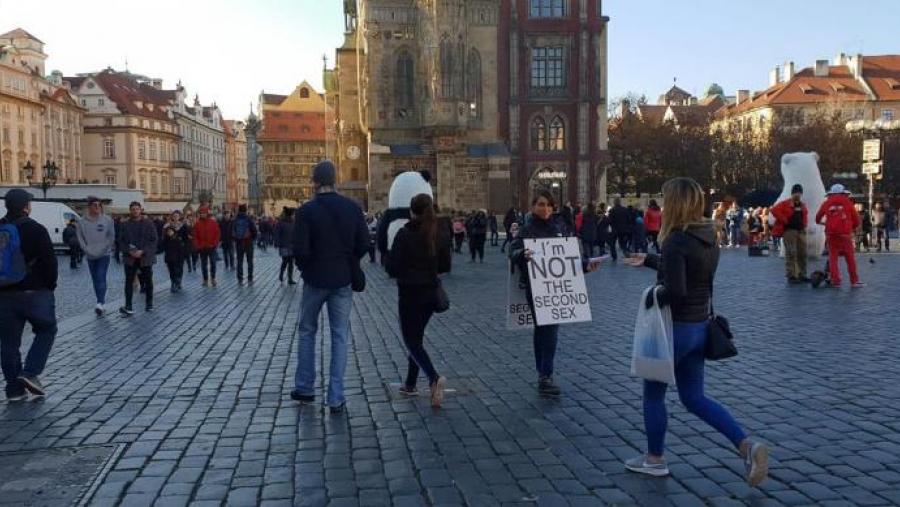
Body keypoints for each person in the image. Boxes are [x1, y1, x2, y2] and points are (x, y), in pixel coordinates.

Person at [623, 177, 769, 486]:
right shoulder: (708, 235)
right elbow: (691, 273)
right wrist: (650, 260)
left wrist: (652, 295)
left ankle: (655, 459)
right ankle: (746, 445)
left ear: (675, 203)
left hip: (675, 330)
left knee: (653, 395)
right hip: (699, 328)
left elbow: (677, 290)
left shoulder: (676, 239)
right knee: (694, 397)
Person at [291, 161, 369, 414]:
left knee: (307, 331)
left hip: (315, 279)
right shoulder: (352, 208)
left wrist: (307, 268)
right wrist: (349, 262)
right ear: (335, 180)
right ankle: (335, 396)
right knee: (339, 336)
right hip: (342, 279)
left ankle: (305, 387)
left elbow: (299, 250)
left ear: (315, 181)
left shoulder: (306, 211)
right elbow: (364, 243)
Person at [509, 190, 602, 396]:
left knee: (548, 329)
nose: (545, 209)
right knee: (545, 329)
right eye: (541, 204)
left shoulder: (560, 227)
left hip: (556, 288)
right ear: (533, 206)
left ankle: (544, 374)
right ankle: (545, 374)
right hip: (536, 288)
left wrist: (586, 266)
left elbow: (569, 258)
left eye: (549, 205)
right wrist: (522, 254)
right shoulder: (527, 229)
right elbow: (513, 251)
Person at [386, 193, 452, 407]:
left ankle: (433, 378)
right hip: (430, 294)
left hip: (409, 294)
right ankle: (410, 383)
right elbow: (445, 265)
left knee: (411, 340)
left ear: (411, 211)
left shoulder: (405, 234)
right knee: (417, 338)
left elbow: (392, 267)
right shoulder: (438, 232)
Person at [0, 189, 57, 402]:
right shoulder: (36, 229)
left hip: (4, 293)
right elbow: (49, 261)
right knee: (47, 329)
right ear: (26, 206)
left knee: (8, 343)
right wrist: (50, 285)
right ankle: (30, 372)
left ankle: (14, 390)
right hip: (35, 291)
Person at [816, 184, 864, 288]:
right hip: (845, 234)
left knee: (833, 258)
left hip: (831, 235)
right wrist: (850, 227)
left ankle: (836, 281)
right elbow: (856, 220)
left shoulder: (826, 203)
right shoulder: (847, 202)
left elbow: (817, 218)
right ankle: (854, 281)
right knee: (850, 258)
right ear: (843, 193)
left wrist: (825, 223)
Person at [76, 196, 116, 315]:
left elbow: (111, 236)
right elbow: (80, 238)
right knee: (95, 279)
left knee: (100, 276)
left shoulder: (107, 220)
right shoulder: (82, 222)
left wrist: (106, 248)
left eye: (99, 205)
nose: (97, 207)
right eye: (95, 205)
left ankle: (100, 302)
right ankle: (99, 300)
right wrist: (86, 249)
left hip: (104, 254)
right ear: (89, 207)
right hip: (90, 254)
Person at [118, 201, 158, 316]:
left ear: (140, 210)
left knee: (148, 280)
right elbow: (120, 240)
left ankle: (149, 304)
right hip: (130, 257)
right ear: (130, 211)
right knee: (129, 281)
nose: (135, 211)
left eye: (137, 209)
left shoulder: (148, 223)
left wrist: (143, 251)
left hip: (145, 257)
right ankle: (128, 306)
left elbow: (154, 239)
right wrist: (129, 251)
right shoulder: (125, 225)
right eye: (133, 209)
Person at [771, 184, 809, 283]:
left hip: (800, 231)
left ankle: (802, 274)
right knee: (791, 253)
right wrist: (785, 220)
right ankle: (791, 275)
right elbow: (774, 210)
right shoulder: (785, 203)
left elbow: (805, 216)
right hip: (789, 231)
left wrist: (804, 225)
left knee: (802, 254)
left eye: (799, 193)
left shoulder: (802, 205)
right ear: (792, 193)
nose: (798, 194)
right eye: (796, 192)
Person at [192, 206, 221, 287]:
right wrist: (197, 245)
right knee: (203, 265)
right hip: (202, 248)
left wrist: (215, 243)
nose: (202, 214)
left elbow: (217, 233)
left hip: (211, 247)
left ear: (207, 213)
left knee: (213, 262)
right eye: (201, 213)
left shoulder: (213, 222)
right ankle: (205, 279)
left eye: (204, 213)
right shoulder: (197, 224)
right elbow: (195, 236)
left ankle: (213, 278)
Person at [162, 212, 188, 293]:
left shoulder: (183, 226)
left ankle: (178, 281)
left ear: (179, 217)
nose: (175, 217)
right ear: (172, 217)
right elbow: (164, 237)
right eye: (174, 216)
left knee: (179, 267)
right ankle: (174, 283)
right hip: (171, 250)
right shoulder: (168, 226)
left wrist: (184, 246)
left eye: (177, 216)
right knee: (172, 268)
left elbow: (186, 237)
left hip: (180, 250)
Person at [232, 205, 258, 285]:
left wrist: (236, 239)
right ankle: (250, 278)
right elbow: (254, 230)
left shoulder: (235, 219)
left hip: (239, 243)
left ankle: (240, 279)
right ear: (246, 210)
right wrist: (253, 238)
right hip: (248, 242)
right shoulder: (249, 219)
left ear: (239, 210)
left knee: (239, 262)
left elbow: (232, 231)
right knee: (250, 261)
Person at [274, 207, 297, 285]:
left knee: (287, 261)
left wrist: (277, 242)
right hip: (288, 245)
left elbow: (276, 233)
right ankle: (287, 277)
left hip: (286, 245)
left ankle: (287, 277)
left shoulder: (282, 222)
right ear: (291, 215)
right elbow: (277, 233)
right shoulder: (292, 223)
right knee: (288, 261)